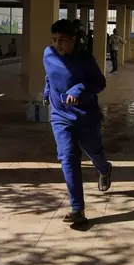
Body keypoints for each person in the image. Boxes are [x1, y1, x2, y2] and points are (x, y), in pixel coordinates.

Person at [43, 19, 113, 225]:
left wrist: (78, 90)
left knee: (93, 151)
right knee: (68, 157)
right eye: (55, 40)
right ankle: (77, 208)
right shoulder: (48, 54)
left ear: (74, 40)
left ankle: (104, 169)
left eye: (63, 40)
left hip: (85, 115)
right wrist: (47, 92)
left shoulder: (85, 59)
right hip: (59, 116)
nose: (58, 44)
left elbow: (100, 82)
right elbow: (49, 76)